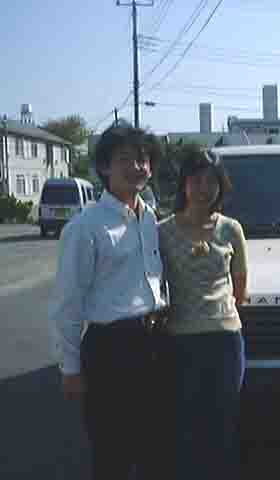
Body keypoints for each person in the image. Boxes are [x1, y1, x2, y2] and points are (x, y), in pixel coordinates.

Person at [48, 124, 171, 480]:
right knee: (112, 451)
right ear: (104, 167)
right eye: (125, 159)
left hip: (154, 342)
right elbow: (68, 302)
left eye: (143, 159)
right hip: (111, 349)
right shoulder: (85, 227)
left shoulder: (149, 218)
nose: (137, 167)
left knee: (155, 447)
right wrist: (70, 368)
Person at [158, 146, 248, 479]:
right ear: (184, 184)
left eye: (212, 181)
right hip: (181, 342)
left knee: (223, 425)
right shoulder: (162, 231)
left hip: (225, 341)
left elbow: (240, 290)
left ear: (221, 186)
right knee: (185, 425)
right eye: (196, 180)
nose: (203, 188)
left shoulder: (231, 229)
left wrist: (219, 314)